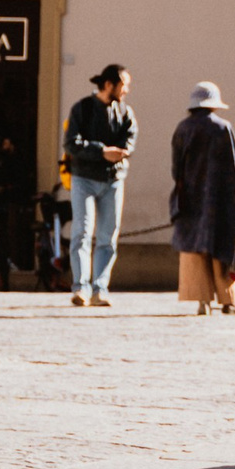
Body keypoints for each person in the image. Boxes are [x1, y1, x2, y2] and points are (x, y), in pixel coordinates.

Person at [169, 81, 235, 315]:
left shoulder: (182, 128)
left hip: (190, 197)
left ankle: (202, 302)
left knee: (195, 250)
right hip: (220, 198)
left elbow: (176, 168)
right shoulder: (223, 128)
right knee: (223, 248)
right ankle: (228, 301)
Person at [62, 65, 136, 307]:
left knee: (108, 236)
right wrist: (102, 151)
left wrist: (122, 152)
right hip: (83, 179)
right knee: (81, 233)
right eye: (124, 85)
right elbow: (70, 143)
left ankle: (100, 289)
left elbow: (130, 139)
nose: (126, 90)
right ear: (108, 85)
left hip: (113, 180)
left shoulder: (125, 112)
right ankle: (81, 288)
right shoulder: (82, 108)